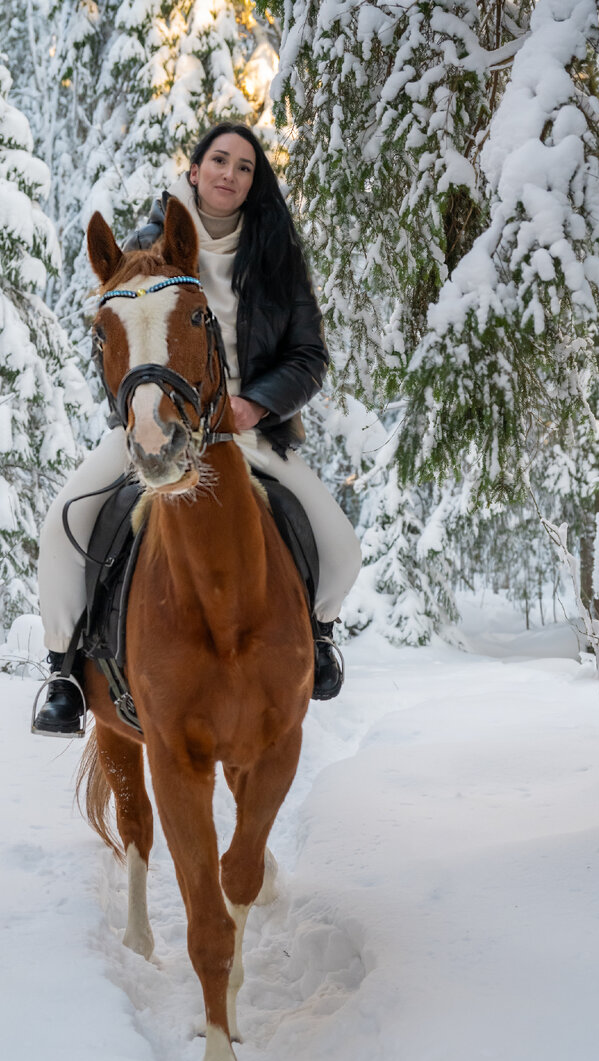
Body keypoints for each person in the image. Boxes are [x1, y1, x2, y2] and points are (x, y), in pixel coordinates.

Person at [33, 123, 361, 736]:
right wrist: (138, 415)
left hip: (250, 432)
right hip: (160, 424)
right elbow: (116, 342)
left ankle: (316, 639)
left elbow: (309, 356)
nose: (229, 174)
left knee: (341, 546)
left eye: (244, 166)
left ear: (253, 182)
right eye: (218, 160)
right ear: (193, 171)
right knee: (63, 524)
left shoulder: (277, 254)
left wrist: (255, 405)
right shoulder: (144, 248)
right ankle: (65, 673)